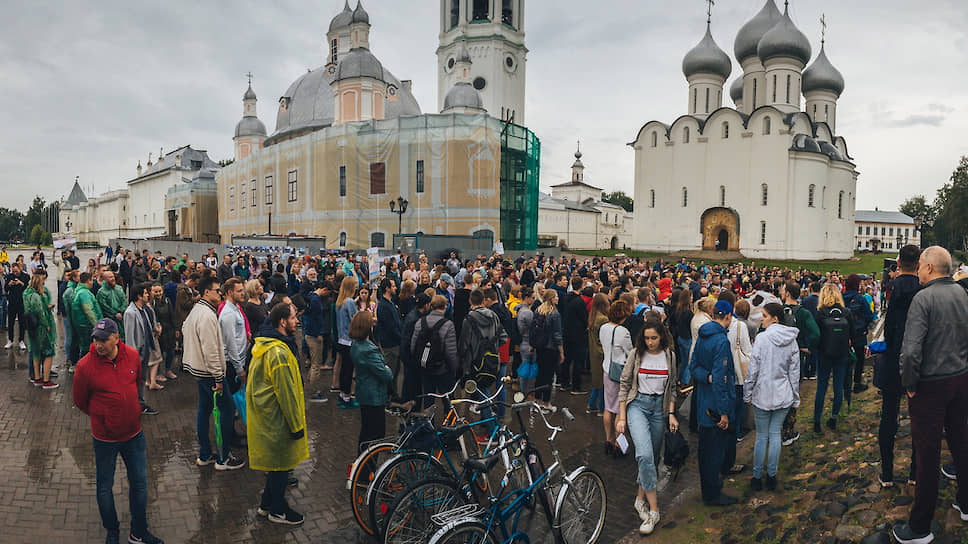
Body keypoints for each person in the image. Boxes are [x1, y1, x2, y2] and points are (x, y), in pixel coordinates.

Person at [893, 246, 968, 544]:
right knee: (961, 442)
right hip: (960, 379)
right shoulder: (963, 294)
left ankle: (920, 526)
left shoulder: (923, 298)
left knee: (927, 453)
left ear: (929, 267)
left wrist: (909, 382)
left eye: (922, 265)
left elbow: (911, 350)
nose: (920, 269)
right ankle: (965, 502)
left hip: (931, 384)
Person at [72, 318, 164, 544]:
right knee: (104, 487)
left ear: (116, 338)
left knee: (140, 484)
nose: (98, 344)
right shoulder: (85, 366)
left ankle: (139, 531)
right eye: (95, 339)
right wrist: (102, 417)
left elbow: (137, 382)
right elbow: (80, 401)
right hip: (105, 438)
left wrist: (132, 408)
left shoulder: (132, 356)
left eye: (103, 339)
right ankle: (112, 530)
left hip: (134, 433)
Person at [248, 301, 309, 526]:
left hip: (269, 418)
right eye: (293, 318)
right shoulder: (278, 353)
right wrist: (296, 426)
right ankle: (278, 510)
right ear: (282, 322)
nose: (297, 321)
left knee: (276, 466)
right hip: (278, 420)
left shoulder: (269, 344)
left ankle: (266, 504)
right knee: (282, 465)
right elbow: (286, 394)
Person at [615, 320, 679, 535]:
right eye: (646, 338)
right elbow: (624, 385)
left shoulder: (669, 355)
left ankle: (640, 498)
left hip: (659, 408)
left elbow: (673, 387)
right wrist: (621, 417)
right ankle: (654, 510)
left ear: (662, 337)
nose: (650, 342)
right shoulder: (636, 354)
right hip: (638, 406)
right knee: (643, 454)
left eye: (654, 338)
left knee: (651, 457)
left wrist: (671, 413)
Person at [182, 276, 244, 471]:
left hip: (199, 370)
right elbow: (211, 349)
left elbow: (185, 329)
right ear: (207, 292)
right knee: (226, 410)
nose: (220, 294)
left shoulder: (197, 310)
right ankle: (223, 458)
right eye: (218, 290)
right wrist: (218, 377)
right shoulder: (208, 315)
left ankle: (205, 454)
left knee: (204, 409)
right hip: (210, 373)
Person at [743, 302, 800, 492]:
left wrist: (747, 392)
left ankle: (758, 476)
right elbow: (794, 371)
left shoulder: (762, 339)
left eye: (765, 316)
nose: (761, 319)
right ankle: (771, 475)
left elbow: (753, 370)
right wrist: (795, 396)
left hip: (763, 392)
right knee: (774, 434)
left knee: (762, 436)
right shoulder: (791, 340)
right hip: (782, 392)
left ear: (775, 318)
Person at [877, 245, 921, 488]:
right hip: (917, 356)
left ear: (899, 262)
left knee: (888, 417)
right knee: (918, 415)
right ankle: (915, 471)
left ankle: (887, 472)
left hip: (895, 355)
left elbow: (891, 325)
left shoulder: (892, 286)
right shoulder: (923, 288)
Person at [690, 300, 738, 506]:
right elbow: (720, 380)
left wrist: (706, 376)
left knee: (705, 450)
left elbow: (693, 367)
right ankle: (712, 493)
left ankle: (709, 488)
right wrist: (725, 412)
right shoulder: (721, 341)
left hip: (703, 402)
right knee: (714, 452)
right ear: (727, 317)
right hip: (715, 406)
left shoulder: (702, 335)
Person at [813, 283, 854, 433]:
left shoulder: (820, 313)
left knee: (821, 388)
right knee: (838, 387)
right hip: (841, 353)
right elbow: (852, 333)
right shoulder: (846, 312)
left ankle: (817, 420)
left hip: (824, 353)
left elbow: (816, 335)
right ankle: (833, 417)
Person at [351, 311, 393, 451]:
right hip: (374, 396)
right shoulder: (369, 350)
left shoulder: (356, 344)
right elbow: (386, 374)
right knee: (375, 434)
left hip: (364, 392)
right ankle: (368, 467)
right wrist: (387, 368)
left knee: (366, 432)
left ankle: (362, 464)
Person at [410, 295, 458, 411]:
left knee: (428, 399)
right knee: (447, 399)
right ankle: (449, 425)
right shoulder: (448, 325)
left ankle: (429, 425)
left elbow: (413, 346)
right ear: (445, 307)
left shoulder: (420, 322)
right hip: (443, 369)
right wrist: (454, 370)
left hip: (425, 367)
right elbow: (451, 352)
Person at [122, 283, 161, 417]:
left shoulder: (143, 309)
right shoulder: (130, 313)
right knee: (135, 380)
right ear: (139, 296)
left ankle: (140, 403)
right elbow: (129, 336)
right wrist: (132, 356)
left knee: (142, 378)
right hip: (137, 354)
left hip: (145, 351)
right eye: (145, 293)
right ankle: (135, 405)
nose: (147, 295)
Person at [600, 299, 633, 454]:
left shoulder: (603, 327)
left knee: (608, 407)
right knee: (620, 409)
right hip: (619, 373)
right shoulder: (623, 332)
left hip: (606, 369)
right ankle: (619, 444)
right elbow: (630, 352)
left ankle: (608, 440)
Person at [24, 270, 58, 388]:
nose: (44, 282)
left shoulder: (26, 293)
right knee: (48, 352)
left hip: (31, 326)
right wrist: (46, 325)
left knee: (35, 352)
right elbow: (40, 312)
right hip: (40, 327)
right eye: (43, 280)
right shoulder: (36, 296)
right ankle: (46, 380)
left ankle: (37, 377)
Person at [843, 273, 874, 397]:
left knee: (845, 359)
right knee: (860, 358)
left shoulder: (840, 297)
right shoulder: (860, 298)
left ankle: (845, 384)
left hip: (844, 333)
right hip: (858, 332)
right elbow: (869, 315)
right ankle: (857, 382)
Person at [533, 289, 564, 413]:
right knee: (549, 376)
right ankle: (546, 403)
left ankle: (537, 401)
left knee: (540, 375)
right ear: (551, 298)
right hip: (551, 348)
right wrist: (561, 351)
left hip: (540, 347)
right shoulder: (555, 314)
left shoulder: (538, 310)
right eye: (556, 296)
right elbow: (557, 334)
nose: (558, 298)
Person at [374, 278, 403, 400]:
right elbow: (391, 327)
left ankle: (392, 394)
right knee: (390, 371)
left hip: (394, 343)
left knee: (395, 371)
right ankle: (387, 397)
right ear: (387, 288)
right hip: (391, 345)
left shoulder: (390, 303)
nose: (395, 288)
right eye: (393, 286)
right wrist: (401, 339)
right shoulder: (383, 306)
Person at [305, 281, 334, 403]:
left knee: (313, 363)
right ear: (325, 289)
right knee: (316, 364)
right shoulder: (316, 300)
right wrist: (318, 333)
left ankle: (310, 387)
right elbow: (316, 319)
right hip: (314, 336)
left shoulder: (311, 296)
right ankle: (313, 392)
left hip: (309, 334)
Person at [219, 278, 248, 396]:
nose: (243, 293)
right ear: (230, 292)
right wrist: (239, 369)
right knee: (232, 399)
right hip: (232, 365)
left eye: (243, 290)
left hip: (238, 361)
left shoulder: (236, 309)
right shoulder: (228, 314)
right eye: (239, 291)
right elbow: (230, 344)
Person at [559, 276, 589, 393]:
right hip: (577, 334)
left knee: (567, 359)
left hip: (567, 332)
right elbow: (584, 318)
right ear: (581, 286)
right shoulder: (579, 301)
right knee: (578, 361)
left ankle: (564, 382)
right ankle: (576, 387)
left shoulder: (566, 298)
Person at [400, 292, 431, 403]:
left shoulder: (413, 315)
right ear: (426, 305)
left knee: (408, 382)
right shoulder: (415, 319)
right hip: (411, 357)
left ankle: (406, 403)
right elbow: (410, 341)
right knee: (413, 385)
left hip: (408, 356)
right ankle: (412, 408)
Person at [335, 275, 360, 408]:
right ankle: (346, 397)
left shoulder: (340, 301)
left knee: (344, 369)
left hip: (341, 339)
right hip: (349, 341)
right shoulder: (349, 302)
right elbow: (354, 319)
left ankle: (342, 395)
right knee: (348, 371)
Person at [586, 293, 609, 414]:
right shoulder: (603, 319)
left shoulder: (593, 316)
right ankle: (601, 407)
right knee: (602, 383)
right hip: (602, 353)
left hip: (594, 352)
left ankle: (591, 404)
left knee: (597, 381)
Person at [150, 283, 178, 381]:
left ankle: (168, 370)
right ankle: (157, 373)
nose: (158, 293)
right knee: (159, 353)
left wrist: (176, 329)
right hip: (159, 332)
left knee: (171, 351)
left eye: (159, 291)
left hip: (169, 329)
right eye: (155, 291)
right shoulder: (151, 304)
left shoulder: (167, 300)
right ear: (152, 292)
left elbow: (172, 315)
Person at [515, 286, 537, 395]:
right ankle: (525, 392)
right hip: (527, 342)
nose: (533, 300)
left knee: (525, 368)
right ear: (527, 298)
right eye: (532, 298)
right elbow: (532, 329)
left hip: (522, 342)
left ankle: (524, 391)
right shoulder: (528, 313)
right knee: (527, 369)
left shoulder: (519, 309)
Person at [97, 271, 128, 341]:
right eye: (110, 277)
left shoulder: (119, 288)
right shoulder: (101, 292)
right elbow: (104, 306)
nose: (113, 278)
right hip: (110, 320)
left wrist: (121, 311)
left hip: (122, 318)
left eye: (113, 276)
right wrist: (115, 314)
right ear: (105, 279)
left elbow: (124, 301)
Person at [5, 262, 29, 349]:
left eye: (16, 271)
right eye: (13, 271)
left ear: (20, 269)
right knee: (11, 322)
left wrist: (21, 283)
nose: (15, 273)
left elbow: (28, 288)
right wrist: (9, 284)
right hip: (12, 302)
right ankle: (10, 340)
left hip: (22, 302)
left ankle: (21, 340)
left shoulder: (25, 276)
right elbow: (5, 288)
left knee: (22, 322)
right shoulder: (9, 276)